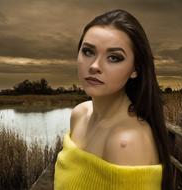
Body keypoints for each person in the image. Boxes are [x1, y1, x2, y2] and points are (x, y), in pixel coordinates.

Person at [54, 9, 173, 190]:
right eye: (88, 51)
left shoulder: (126, 142)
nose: (94, 66)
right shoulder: (80, 113)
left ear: (135, 69)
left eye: (113, 57)